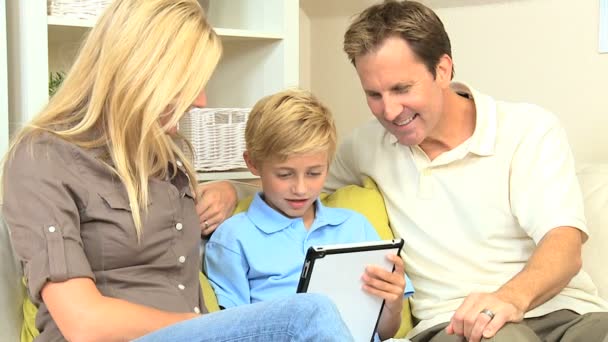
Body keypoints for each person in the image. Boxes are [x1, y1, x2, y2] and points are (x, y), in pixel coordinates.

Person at [0, 1, 354, 341]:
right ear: (140, 71)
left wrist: (230, 188)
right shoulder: (41, 157)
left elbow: (273, 186)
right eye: (189, 83)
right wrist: (202, 326)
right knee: (308, 315)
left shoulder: (164, 156)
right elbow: (83, 322)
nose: (200, 101)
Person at [322, 1, 608, 342]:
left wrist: (507, 299)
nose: (389, 110)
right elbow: (295, 195)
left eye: (401, 89)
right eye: (374, 94)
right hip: (455, 325)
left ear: (443, 70)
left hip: (568, 314)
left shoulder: (527, 129)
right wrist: (238, 196)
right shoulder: (365, 146)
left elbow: (563, 244)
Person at [204, 88, 414, 341]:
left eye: (314, 173)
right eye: (284, 174)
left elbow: (384, 331)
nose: (301, 188)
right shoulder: (233, 238)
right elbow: (231, 333)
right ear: (253, 163)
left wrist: (392, 304)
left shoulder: (354, 227)